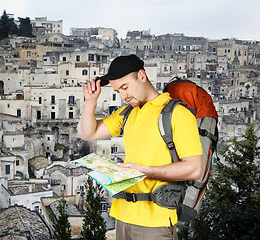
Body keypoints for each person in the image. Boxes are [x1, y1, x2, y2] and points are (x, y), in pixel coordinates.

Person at [78, 54, 203, 240]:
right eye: (118, 91)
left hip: (155, 221)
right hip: (123, 215)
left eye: (125, 87)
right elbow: (88, 133)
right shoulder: (127, 112)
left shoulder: (178, 114)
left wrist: (143, 171)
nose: (123, 96)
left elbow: (194, 169)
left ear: (142, 76)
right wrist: (90, 102)